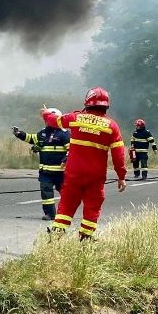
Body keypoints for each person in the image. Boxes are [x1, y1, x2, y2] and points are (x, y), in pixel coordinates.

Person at [42, 87, 127, 240]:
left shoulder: (75, 118)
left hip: (74, 173)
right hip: (96, 176)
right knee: (93, 206)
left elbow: (54, 120)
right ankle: (86, 240)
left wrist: (46, 113)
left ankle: (56, 237)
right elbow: (118, 156)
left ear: (87, 103)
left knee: (67, 204)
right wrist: (121, 176)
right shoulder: (112, 126)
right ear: (106, 105)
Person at [12, 107, 70, 221]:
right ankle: (50, 214)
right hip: (45, 172)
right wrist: (19, 134)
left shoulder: (64, 134)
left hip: (60, 172)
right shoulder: (43, 132)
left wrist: (65, 160)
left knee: (66, 193)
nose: (47, 122)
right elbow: (31, 138)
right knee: (46, 193)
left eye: (49, 119)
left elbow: (71, 150)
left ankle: (66, 213)